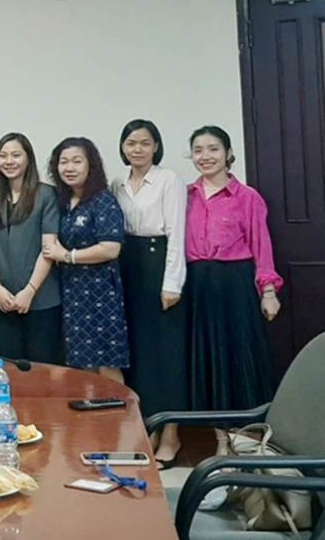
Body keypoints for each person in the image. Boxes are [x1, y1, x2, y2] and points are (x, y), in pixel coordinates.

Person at [185, 125, 282, 455]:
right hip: (198, 287)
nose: (205, 156)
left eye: (213, 149)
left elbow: (261, 246)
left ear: (227, 153)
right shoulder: (185, 196)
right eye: (198, 150)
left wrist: (268, 291)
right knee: (209, 364)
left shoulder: (247, 197)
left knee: (241, 360)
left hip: (236, 285)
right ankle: (220, 441)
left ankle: (247, 441)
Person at [110, 119, 188, 468]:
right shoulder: (118, 183)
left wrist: (172, 283)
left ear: (156, 146)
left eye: (144, 143)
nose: (137, 149)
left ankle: (171, 433)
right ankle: (149, 429)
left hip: (159, 265)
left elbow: (177, 234)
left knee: (166, 355)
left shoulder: (168, 179)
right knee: (138, 354)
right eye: (131, 143)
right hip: (129, 266)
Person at [43, 137, 128, 383]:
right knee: (82, 364)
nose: (69, 168)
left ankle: (120, 408)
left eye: (77, 161)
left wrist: (67, 256)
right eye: (63, 162)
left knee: (106, 363)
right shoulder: (63, 202)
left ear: (91, 165)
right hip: (72, 293)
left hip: (101, 293)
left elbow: (111, 248)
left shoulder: (103, 200)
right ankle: (91, 410)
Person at [0, 132, 64, 365]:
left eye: (16, 155)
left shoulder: (46, 194)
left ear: (28, 158)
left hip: (41, 299)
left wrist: (30, 290)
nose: (9, 161)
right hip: (2, 300)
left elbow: (49, 248)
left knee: (42, 370)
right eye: (3, 156)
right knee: (7, 369)